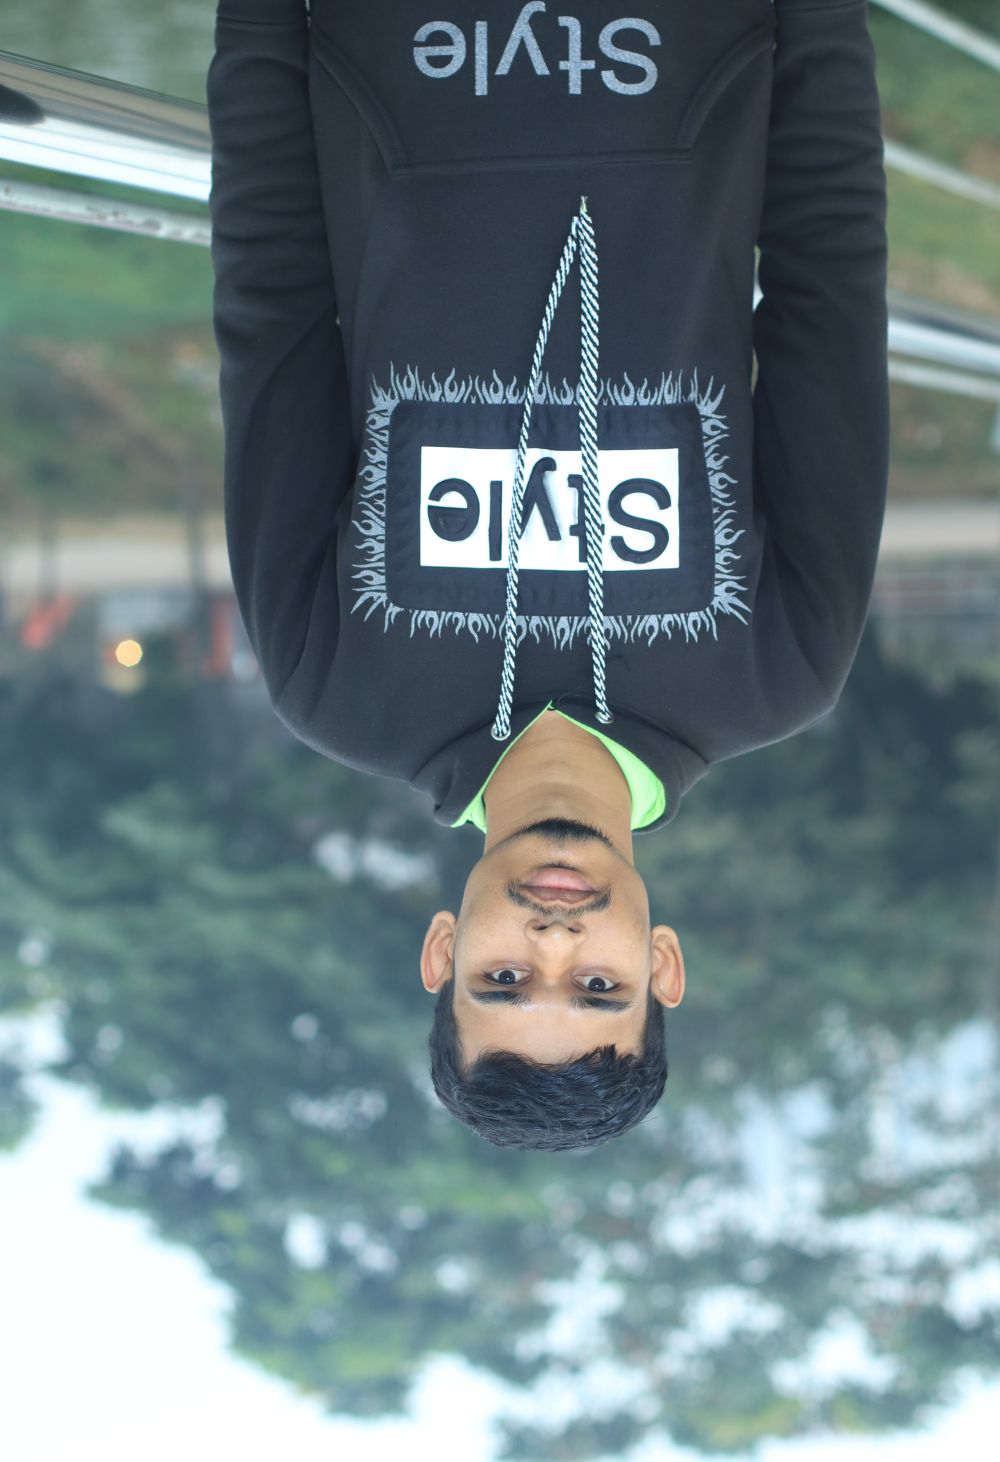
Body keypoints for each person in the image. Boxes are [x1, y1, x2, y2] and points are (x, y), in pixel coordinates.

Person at [207, 0, 890, 1149]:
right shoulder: (780, 666)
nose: (555, 943)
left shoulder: (335, 684)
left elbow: (270, 305)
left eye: (504, 981)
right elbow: (827, 286)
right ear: (662, 967)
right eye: (599, 989)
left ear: (441, 953)